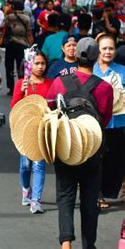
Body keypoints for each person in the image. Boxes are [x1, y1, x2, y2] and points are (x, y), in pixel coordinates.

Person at [46, 37, 113, 249]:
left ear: (75, 55)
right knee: (89, 201)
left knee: (65, 195)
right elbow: (105, 119)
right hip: (92, 150)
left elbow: (49, 111)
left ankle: (66, 242)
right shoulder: (105, 88)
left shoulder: (59, 82)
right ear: (96, 58)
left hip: (66, 148)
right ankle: (88, 244)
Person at [11, 50, 53, 214]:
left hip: (42, 130)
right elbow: (15, 106)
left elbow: (54, 105)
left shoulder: (50, 83)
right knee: (26, 165)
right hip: (25, 130)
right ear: (30, 65)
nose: (40, 67)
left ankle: (36, 200)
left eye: (43, 63)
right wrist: (21, 91)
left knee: (39, 165)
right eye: (37, 63)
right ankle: (26, 188)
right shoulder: (23, 83)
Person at [92, 34, 125, 209]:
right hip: (96, 124)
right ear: (98, 50)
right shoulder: (92, 70)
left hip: (119, 123)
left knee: (116, 160)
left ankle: (109, 191)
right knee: (97, 161)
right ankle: (96, 195)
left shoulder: (122, 70)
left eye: (111, 48)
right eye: (104, 48)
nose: (107, 51)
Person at [2, 0, 33, 96]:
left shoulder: (9, 17)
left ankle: (11, 87)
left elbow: (2, 27)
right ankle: (21, 86)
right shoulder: (27, 18)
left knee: (9, 66)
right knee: (21, 66)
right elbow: (29, 32)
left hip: (10, 43)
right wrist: (30, 45)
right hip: (22, 44)